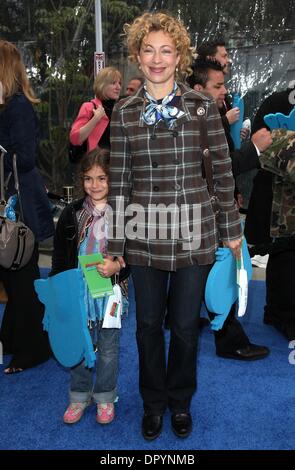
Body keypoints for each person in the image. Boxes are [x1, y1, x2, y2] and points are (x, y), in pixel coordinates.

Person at [107, 12, 242, 440]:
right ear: (137, 56)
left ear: (179, 55)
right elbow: (120, 182)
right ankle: (153, 402)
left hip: (194, 231)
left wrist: (232, 229)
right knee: (146, 325)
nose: (157, 58)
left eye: (166, 49)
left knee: (185, 327)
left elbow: (221, 172)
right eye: (149, 50)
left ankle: (180, 402)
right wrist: (114, 243)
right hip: (143, 233)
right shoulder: (124, 112)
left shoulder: (203, 106)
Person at [187, 57, 271, 360]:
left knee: (212, 274)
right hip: (200, 217)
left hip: (210, 212)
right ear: (199, 88)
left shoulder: (210, 118)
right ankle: (229, 339)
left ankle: (218, 331)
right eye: (218, 85)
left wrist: (231, 193)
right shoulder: (194, 124)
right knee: (220, 274)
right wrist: (255, 150)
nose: (225, 91)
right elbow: (209, 169)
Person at [50, 147, 128, 425]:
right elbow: (60, 256)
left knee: (108, 347)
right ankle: (79, 395)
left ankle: (105, 396)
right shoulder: (71, 214)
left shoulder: (124, 213)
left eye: (102, 178)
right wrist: (59, 291)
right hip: (77, 292)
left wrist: (117, 266)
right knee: (79, 341)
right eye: (88, 179)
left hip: (109, 292)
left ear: (114, 179)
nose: (94, 185)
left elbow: (133, 255)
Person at [0, 40, 54, 373]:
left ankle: (34, 345)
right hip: (11, 202)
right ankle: (16, 336)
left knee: (21, 275)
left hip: (17, 205)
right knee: (13, 274)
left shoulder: (17, 106)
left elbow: (24, 156)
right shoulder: (8, 106)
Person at [245, 86, 295, 341]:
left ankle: (279, 312)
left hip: (282, 201)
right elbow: (259, 147)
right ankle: (281, 314)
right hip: (279, 202)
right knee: (284, 255)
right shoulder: (276, 102)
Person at [70, 66, 122, 152]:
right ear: (102, 85)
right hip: (96, 162)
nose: (118, 87)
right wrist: (95, 119)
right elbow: (75, 139)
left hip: (118, 162)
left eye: (120, 83)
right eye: (113, 83)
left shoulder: (121, 109)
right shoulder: (89, 107)